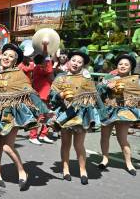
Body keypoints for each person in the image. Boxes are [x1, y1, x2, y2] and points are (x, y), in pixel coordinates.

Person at [0, 44, 50, 190]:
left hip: (13, 114)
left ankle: (22, 171)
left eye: (11, 56)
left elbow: (30, 93)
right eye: (5, 55)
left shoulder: (19, 75)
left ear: (15, 61)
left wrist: (45, 110)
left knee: (7, 146)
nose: (7, 58)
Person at [49, 50, 104, 185]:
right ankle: (65, 168)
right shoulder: (60, 78)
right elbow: (51, 97)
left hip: (81, 116)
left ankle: (82, 169)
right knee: (65, 144)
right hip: (65, 115)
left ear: (83, 65)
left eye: (80, 62)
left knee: (79, 145)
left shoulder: (87, 79)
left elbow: (95, 96)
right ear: (68, 61)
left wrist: (103, 113)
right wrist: (60, 96)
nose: (76, 63)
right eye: (74, 60)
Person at [97, 54, 139, 176]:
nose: (123, 66)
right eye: (120, 64)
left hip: (124, 112)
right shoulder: (109, 77)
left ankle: (128, 163)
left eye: (126, 64)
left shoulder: (135, 80)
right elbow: (98, 90)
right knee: (104, 137)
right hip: (108, 110)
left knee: (123, 139)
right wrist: (106, 86)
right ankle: (105, 159)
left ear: (131, 67)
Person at [29, 54, 54, 145]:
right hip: (40, 95)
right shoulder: (38, 68)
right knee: (38, 116)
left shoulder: (41, 68)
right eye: (45, 61)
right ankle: (33, 136)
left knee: (46, 115)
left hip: (45, 95)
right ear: (42, 61)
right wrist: (48, 58)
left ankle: (43, 134)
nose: (46, 62)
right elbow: (49, 70)